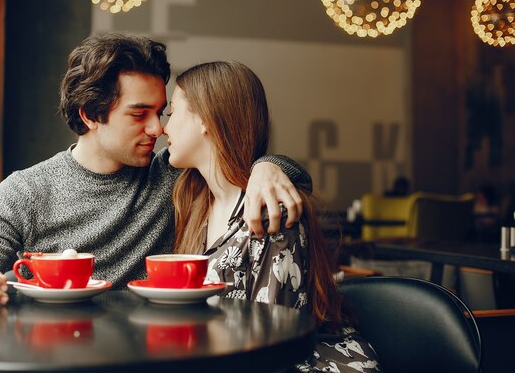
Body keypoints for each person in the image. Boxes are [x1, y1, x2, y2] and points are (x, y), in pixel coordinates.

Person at [0, 34, 310, 307]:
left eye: (161, 112)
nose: (157, 129)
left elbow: (244, 168)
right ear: (91, 115)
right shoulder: (25, 192)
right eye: (139, 114)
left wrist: (269, 165)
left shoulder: (174, 176)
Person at [163, 61, 381, 373]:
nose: (163, 128)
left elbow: (271, 344)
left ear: (204, 119)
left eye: (172, 112)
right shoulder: (195, 203)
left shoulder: (269, 211)